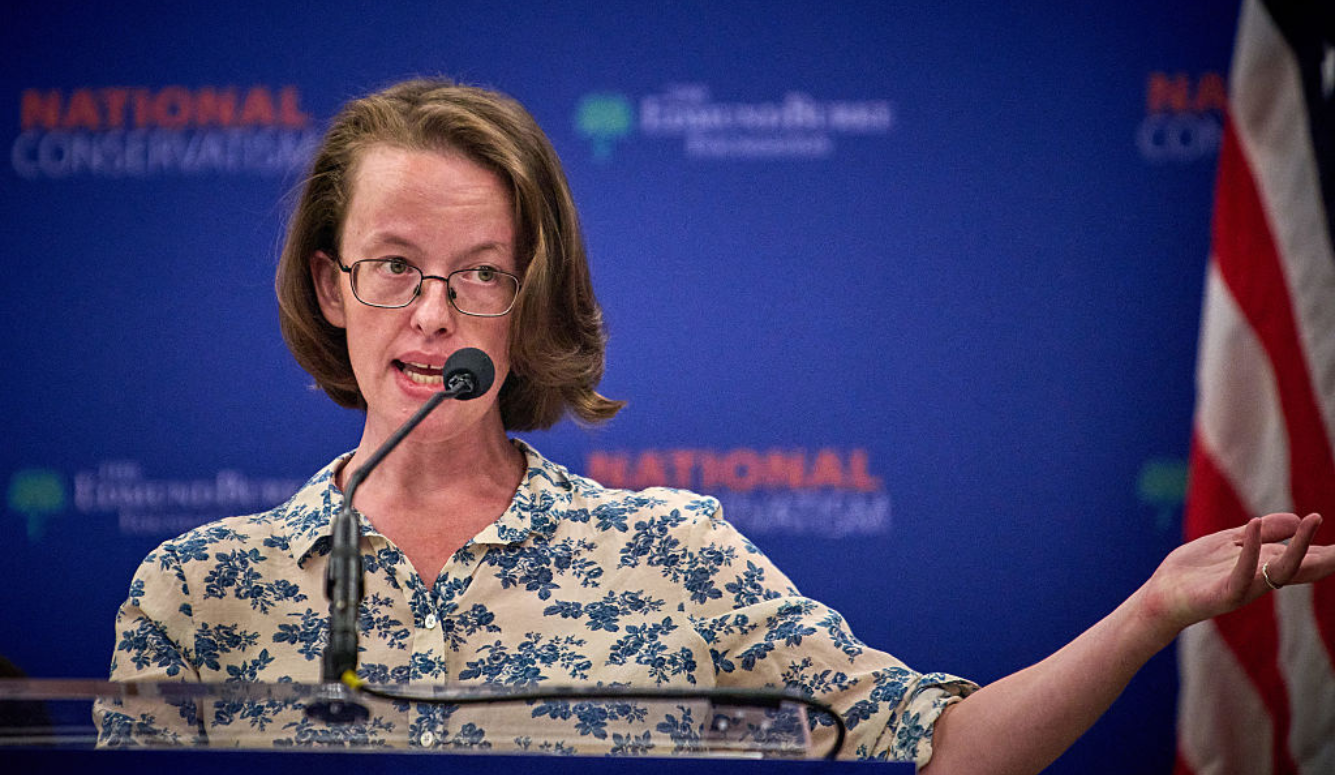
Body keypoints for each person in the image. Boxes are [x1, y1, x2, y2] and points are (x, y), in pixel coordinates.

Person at [97, 78, 1335, 772]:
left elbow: (942, 752)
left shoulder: (670, 554)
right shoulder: (197, 592)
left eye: (481, 271)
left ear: (530, 301)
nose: (434, 314)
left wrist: (1150, 613)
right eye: (393, 266)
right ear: (329, 286)